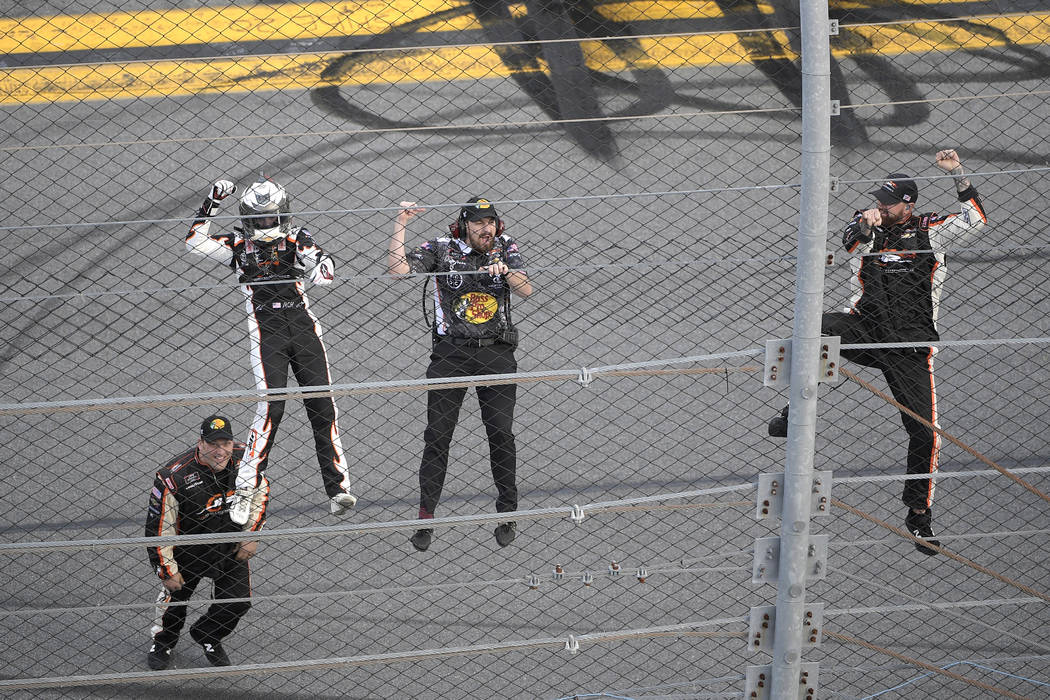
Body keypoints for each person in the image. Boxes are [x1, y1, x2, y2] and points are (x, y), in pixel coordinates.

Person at [768, 149, 987, 555]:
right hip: (865, 330)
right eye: (878, 201)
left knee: (925, 434)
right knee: (812, 326)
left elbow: (976, 220)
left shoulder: (931, 229)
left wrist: (958, 173)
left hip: (910, 346)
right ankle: (791, 411)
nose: (879, 207)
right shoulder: (865, 223)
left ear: (908, 204)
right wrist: (867, 227)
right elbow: (851, 246)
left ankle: (918, 515)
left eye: (887, 203)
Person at [185, 179, 357, 523]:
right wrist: (213, 201)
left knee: (323, 404)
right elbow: (194, 244)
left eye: (270, 218)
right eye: (258, 219)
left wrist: (326, 266)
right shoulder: (236, 243)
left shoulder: (296, 237)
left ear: (283, 214)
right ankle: (244, 490)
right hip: (266, 328)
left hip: (303, 323)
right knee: (271, 407)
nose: (265, 225)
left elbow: (319, 258)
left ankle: (338, 489)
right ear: (247, 218)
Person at [388, 197, 533, 552]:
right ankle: (426, 518)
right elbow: (398, 270)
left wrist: (505, 270)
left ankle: (507, 512)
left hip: (496, 352)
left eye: (492, 223)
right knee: (437, 435)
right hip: (450, 353)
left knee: (501, 433)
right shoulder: (442, 248)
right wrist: (400, 223)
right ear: (465, 225)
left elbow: (527, 288)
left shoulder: (504, 245)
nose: (488, 230)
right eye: (481, 224)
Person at [145, 415, 269, 670]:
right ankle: (163, 641)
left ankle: (208, 634)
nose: (220, 451)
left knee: (237, 601)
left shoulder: (247, 461)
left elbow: (260, 492)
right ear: (200, 443)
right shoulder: (173, 477)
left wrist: (251, 535)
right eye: (213, 444)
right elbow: (159, 529)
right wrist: (167, 569)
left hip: (230, 545)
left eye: (225, 443)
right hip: (188, 549)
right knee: (175, 600)